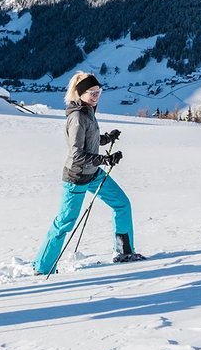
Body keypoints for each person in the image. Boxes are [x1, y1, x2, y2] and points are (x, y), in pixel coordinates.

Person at [34, 72, 143, 275]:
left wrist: (106, 138)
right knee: (64, 223)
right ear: (80, 93)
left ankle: (124, 252)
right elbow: (76, 153)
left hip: (93, 173)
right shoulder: (76, 117)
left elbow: (89, 140)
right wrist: (104, 160)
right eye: (91, 92)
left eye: (98, 91)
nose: (95, 95)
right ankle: (42, 267)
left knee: (122, 204)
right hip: (76, 178)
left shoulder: (88, 111)